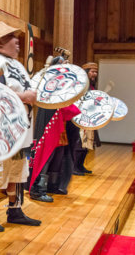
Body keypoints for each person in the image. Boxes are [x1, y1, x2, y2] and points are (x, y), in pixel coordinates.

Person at [0, 21, 41, 232]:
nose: (18, 41)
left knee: (17, 171)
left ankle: (15, 209)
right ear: (0, 42)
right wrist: (25, 96)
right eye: (13, 37)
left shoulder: (14, 64)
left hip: (19, 129)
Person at [28, 56, 80, 202]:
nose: (66, 66)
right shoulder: (50, 83)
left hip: (60, 127)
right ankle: (38, 189)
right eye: (63, 64)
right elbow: (67, 108)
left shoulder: (64, 84)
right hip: (51, 124)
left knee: (58, 156)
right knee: (47, 154)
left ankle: (52, 186)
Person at [72, 62, 100, 175]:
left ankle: (80, 166)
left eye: (96, 72)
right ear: (86, 72)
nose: (95, 74)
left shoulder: (92, 86)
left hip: (90, 118)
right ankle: (74, 167)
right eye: (92, 72)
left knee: (88, 144)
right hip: (80, 117)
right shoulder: (80, 85)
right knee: (80, 143)